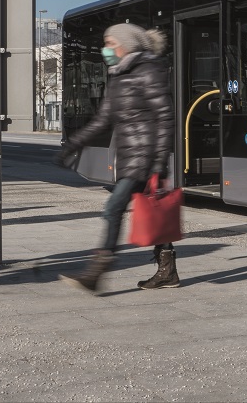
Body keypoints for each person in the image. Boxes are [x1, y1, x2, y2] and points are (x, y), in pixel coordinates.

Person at [56, 23, 176, 293]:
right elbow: (102, 121)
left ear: (126, 45)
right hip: (130, 157)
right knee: (153, 210)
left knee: (113, 208)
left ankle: (96, 273)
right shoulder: (118, 75)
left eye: (110, 43)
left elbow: (165, 118)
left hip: (144, 158)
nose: (106, 49)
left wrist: (159, 162)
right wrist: (72, 145)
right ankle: (167, 270)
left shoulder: (150, 70)